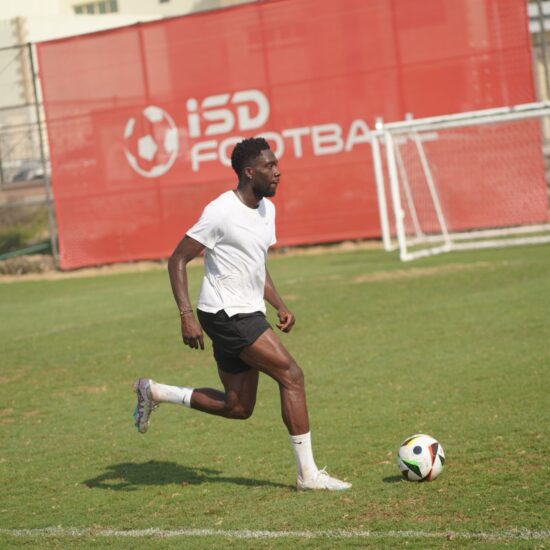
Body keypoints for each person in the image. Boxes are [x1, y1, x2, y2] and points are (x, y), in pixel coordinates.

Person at [133, 137, 351, 491]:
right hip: (225, 313)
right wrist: (185, 314)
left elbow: (256, 267)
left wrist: (279, 304)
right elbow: (177, 259)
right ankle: (308, 476)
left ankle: (155, 391)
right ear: (250, 172)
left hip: (245, 311)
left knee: (238, 406)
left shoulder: (267, 210)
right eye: (269, 166)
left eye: (276, 164)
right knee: (292, 375)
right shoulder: (220, 211)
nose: (278, 172)